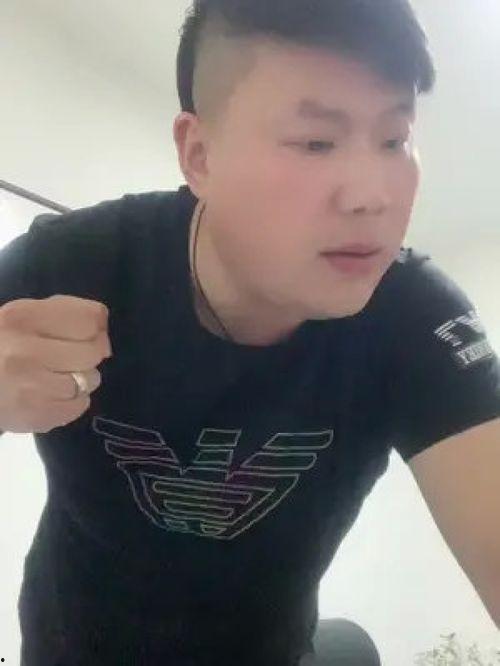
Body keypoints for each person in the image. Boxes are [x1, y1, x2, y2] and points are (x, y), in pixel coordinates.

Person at [0, 0, 499, 664]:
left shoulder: (415, 317)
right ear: (199, 154)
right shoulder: (72, 264)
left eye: (394, 140)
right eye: (316, 142)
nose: (372, 196)